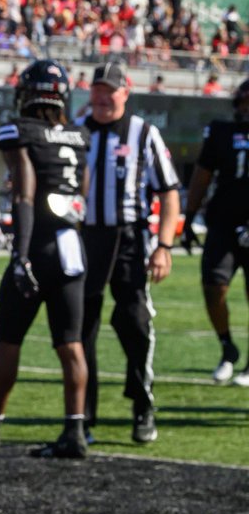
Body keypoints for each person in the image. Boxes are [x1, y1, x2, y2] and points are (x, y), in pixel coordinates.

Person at [0, 59, 91, 458]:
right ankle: (75, 432)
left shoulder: (20, 131)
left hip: (37, 244)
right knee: (71, 345)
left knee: (9, 342)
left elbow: (24, 193)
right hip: (71, 247)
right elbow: (80, 195)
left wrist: (21, 256)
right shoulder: (78, 135)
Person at [77, 61, 181, 443]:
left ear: (125, 92)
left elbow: (169, 192)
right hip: (86, 238)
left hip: (130, 240)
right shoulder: (78, 133)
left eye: (111, 90)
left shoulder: (143, 133)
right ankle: (82, 416)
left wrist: (164, 246)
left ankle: (142, 404)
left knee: (135, 322)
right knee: (81, 327)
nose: (103, 97)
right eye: (98, 90)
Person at [185, 78, 249, 386]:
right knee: (213, 287)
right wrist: (188, 218)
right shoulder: (221, 131)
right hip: (223, 222)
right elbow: (202, 174)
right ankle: (227, 347)